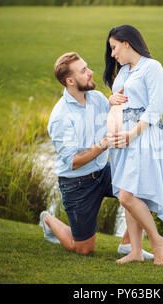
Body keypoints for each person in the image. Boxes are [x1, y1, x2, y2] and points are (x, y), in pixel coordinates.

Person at [41, 51, 153, 259]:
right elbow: (73, 162)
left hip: (103, 172)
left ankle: (128, 245)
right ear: (70, 81)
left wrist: (115, 101)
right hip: (77, 184)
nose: (91, 72)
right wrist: (103, 144)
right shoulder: (60, 117)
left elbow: (114, 114)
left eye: (87, 67)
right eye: (84, 71)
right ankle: (48, 219)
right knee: (84, 249)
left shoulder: (96, 98)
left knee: (146, 190)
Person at [104, 25, 163, 265]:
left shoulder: (152, 68)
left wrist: (132, 133)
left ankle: (157, 240)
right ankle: (136, 251)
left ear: (127, 43)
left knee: (127, 196)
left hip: (143, 135)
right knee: (128, 191)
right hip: (124, 138)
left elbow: (155, 109)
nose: (112, 54)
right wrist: (111, 98)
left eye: (114, 47)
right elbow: (119, 98)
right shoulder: (124, 71)